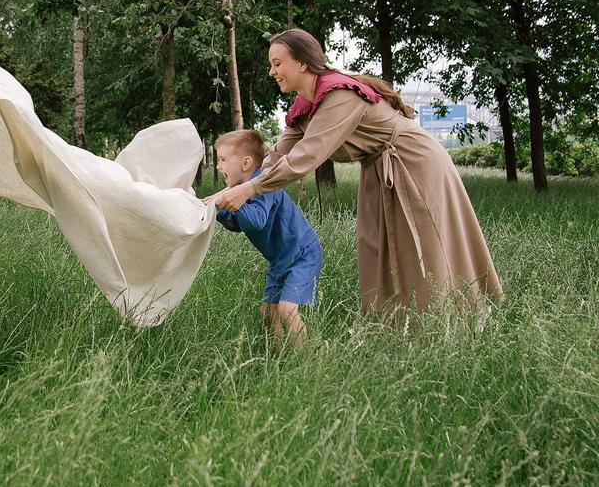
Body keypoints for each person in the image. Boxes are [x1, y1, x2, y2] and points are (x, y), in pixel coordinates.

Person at [212, 29, 502, 316]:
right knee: (379, 249)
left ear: (302, 62)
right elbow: (276, 157)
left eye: (278, 63)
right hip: (377, 167)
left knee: (426, 244)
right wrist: (225, 192)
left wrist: (250, 189)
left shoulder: (338, 96)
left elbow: (305, 156)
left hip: (413, 162)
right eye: (271, 64)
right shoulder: (304, 105)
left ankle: (451, 319)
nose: (272, 71)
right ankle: (396, 326)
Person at [213, 130, 323, 347]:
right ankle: (280, 355)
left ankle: (305, 359)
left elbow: (256, 221)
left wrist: (228, 200)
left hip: (302, 254)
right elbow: (237, 224)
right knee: (267, 313)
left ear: (245, 163)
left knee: (286, 310)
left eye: (223, 160)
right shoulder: (238, 192)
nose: (218, 166)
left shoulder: (264, 183)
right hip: (279, 260)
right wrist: (215, 210)